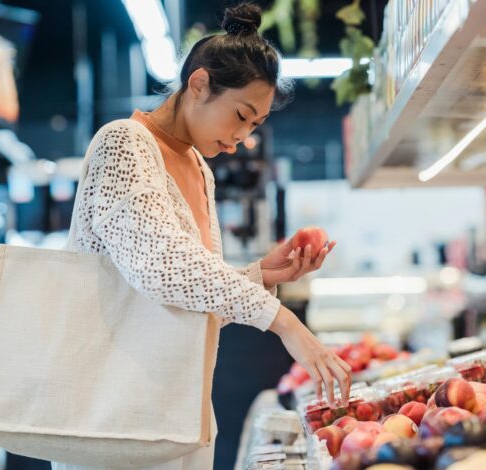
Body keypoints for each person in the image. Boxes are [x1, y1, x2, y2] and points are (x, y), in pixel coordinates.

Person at [53, 3, 351, 469]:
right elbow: (161, 267)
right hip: (114, 422)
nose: (242, 138)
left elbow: (187, 303)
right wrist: (284, 321)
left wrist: (260, 275)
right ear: (199, 84)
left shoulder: (199, 169)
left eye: (255, 125)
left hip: (181, 416)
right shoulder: (123, 143)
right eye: (241, 115)